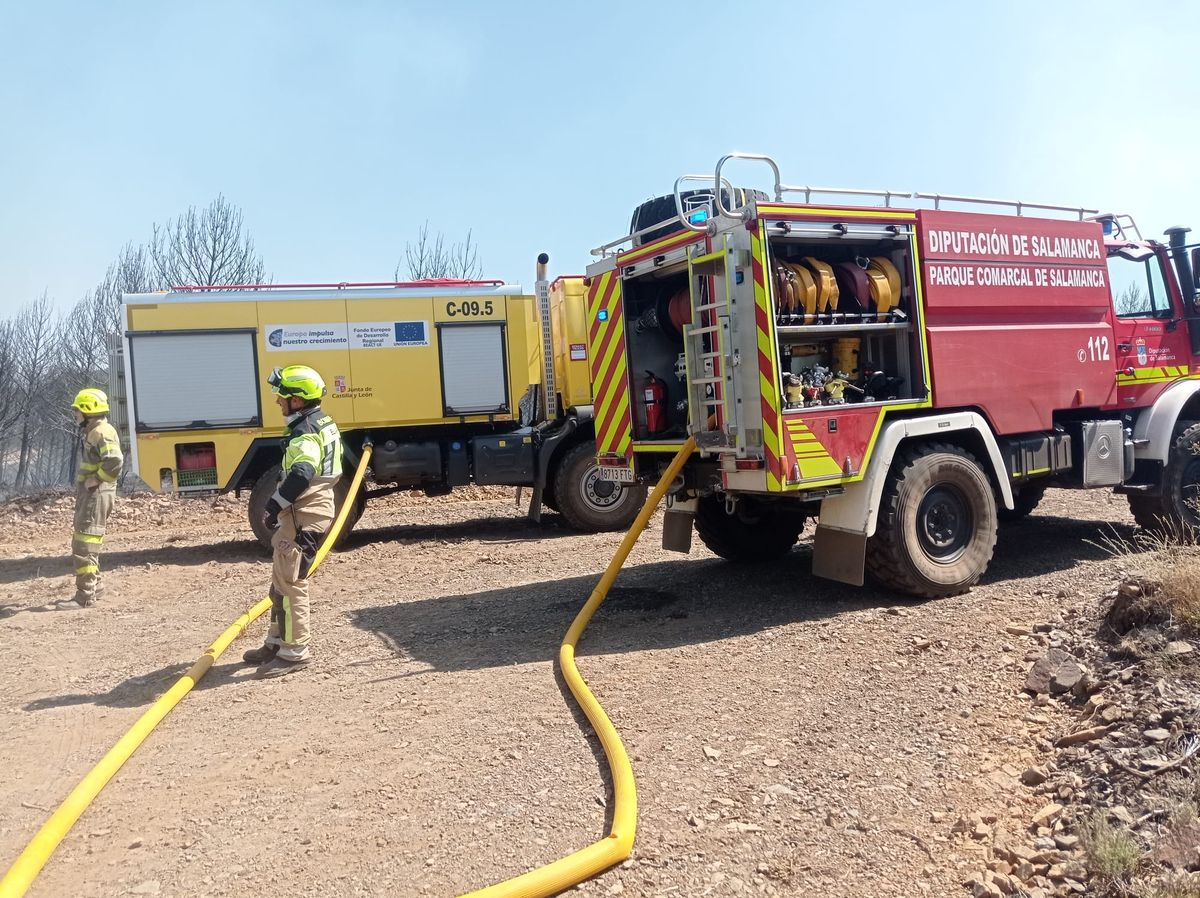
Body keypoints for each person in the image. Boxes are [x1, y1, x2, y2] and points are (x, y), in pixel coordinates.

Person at [243, 365, 342, 679]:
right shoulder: (319, 421)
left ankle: (294, 653)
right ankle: (275, 643)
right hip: (303, 515)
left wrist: (273, 506)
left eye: (282, 397)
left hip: (304, 517)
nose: (277, 402)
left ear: (298, 401)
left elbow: (301, 473)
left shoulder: (304, 433)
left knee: (292, 585)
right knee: (280, 583)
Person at [69, 388, 124, 607]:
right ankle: (96, 587)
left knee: (84, 544)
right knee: (87, 540)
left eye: (77, 411)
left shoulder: (101, 432)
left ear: (88, 411)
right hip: (93, 495)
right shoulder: (95, 430)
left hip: (96, 495)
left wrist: (97, 479)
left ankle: (85, 596)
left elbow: (115, 460)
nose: (76, 415)